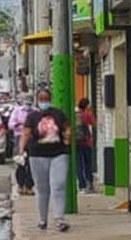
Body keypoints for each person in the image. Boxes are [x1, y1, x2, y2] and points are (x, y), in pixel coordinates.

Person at [21, 85, 72, 231]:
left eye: (46, 99)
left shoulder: (58, 114)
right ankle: (42, 220)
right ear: (37, 101)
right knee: (42, 188)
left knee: (58, 185)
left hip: (59, 153)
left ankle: (59, 219)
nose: (44, 101)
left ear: (50, 99)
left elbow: (67, 127)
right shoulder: (32, 117)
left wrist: (67, 136)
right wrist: (21, 150)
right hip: (37, 155)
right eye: (41, 99)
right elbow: (26, 133)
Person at [75, 98, 97, 193]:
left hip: (76, 143)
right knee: (88, 164)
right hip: (87, 143)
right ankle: (90, 185)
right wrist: (90, 112)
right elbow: (94, 124)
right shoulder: (87, 114)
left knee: (79, 165)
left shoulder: (75, 114)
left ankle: (81, 186)